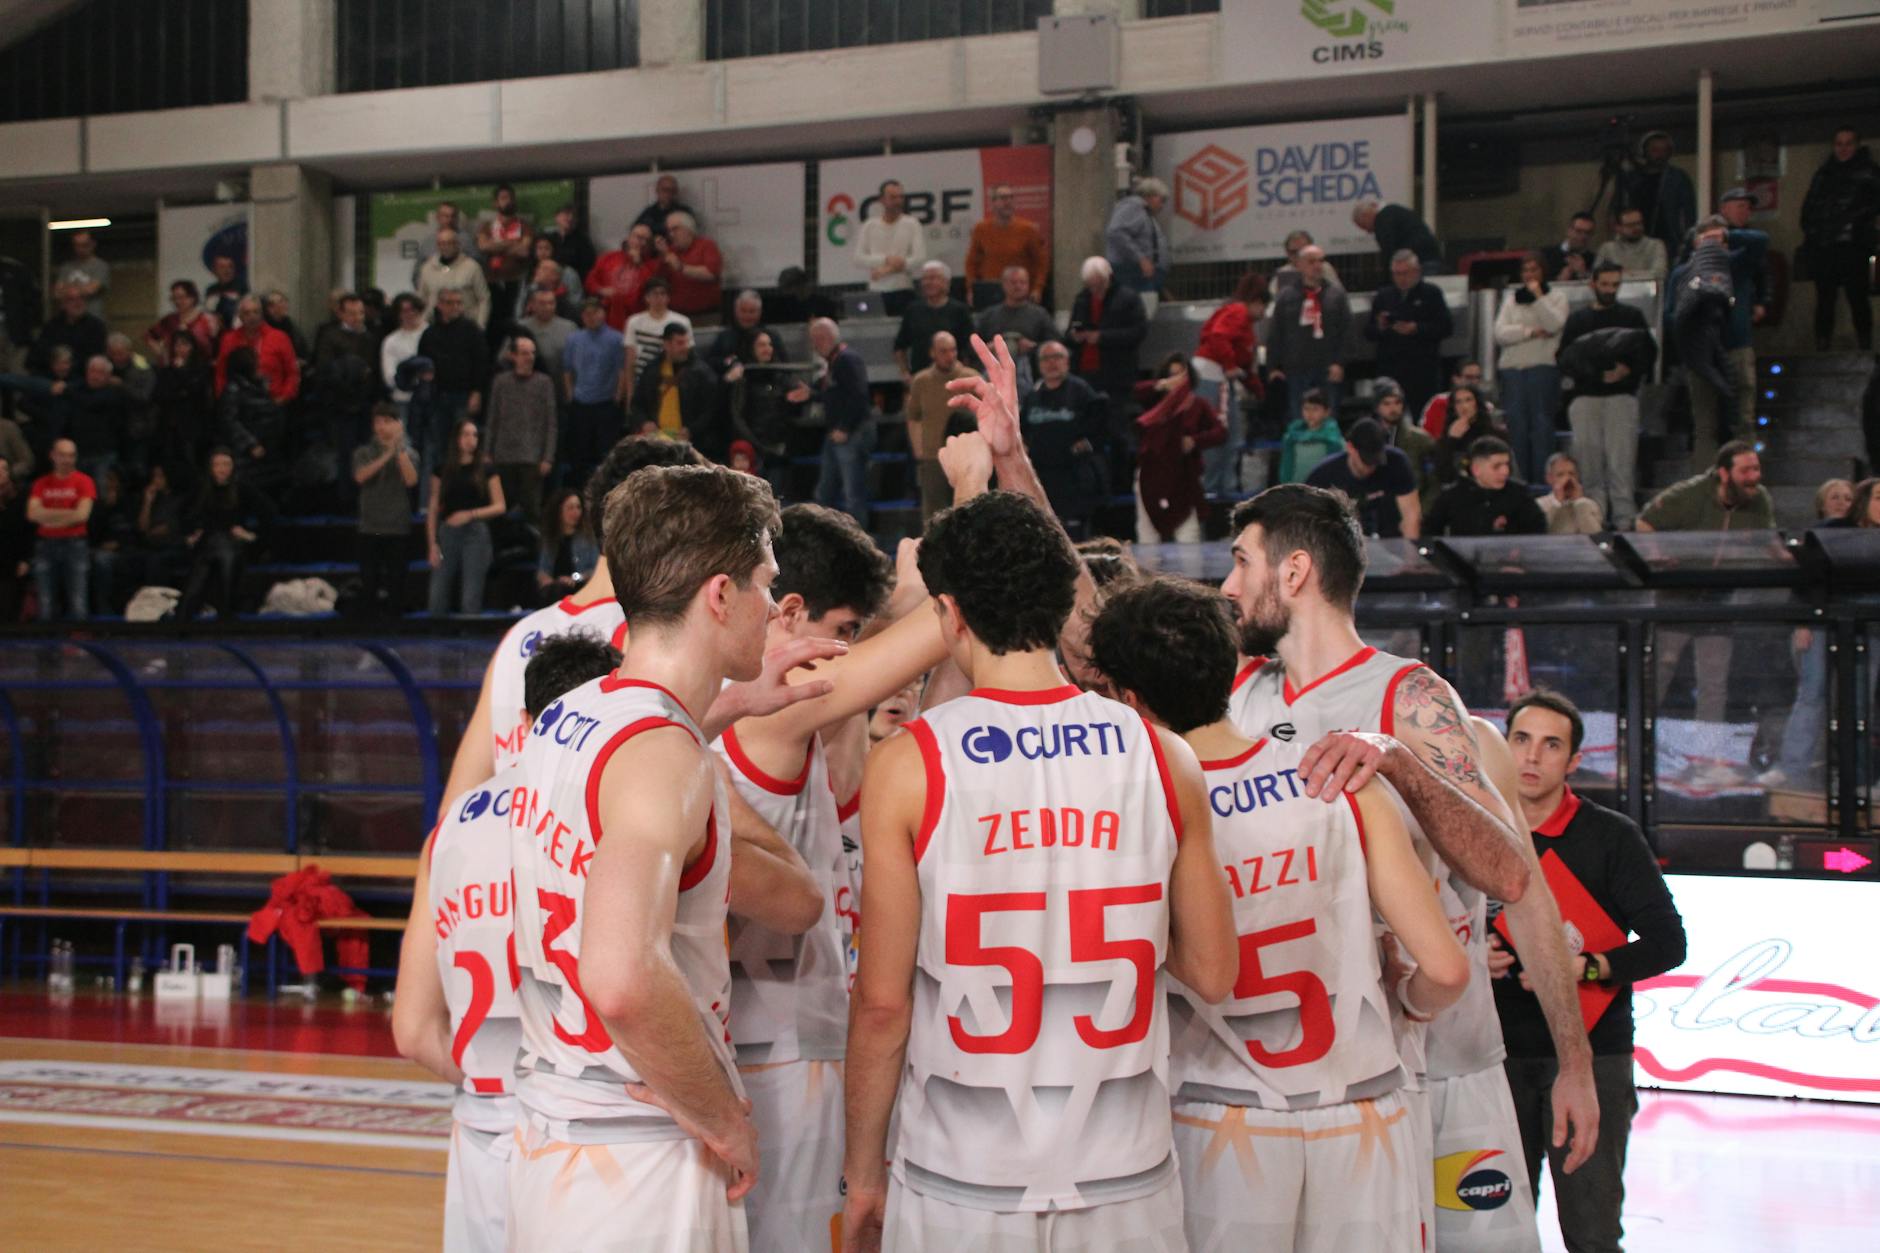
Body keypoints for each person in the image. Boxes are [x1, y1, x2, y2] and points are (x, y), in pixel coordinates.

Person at [840, 487, 1237, 1250]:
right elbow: (1214, 972)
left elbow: (883, 1004)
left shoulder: (910, 763)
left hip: (963, 1179)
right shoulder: (1166, 755)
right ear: (1062, 610)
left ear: (950, 613)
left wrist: (863, 1175)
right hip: (1125, 1178)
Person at [1222, 485, 1599, 1253]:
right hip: (1328, 1085)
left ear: (1294, 572)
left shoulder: (1413, 697)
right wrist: (1012, 462)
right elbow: (1106, 636)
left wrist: (1575, 1063)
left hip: (1451, 1071)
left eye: (1240, 562)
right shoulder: (1239, 696)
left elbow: (1514, 881)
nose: (1227, 586)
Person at [1088, 575, 1469, 1251]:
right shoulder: (1339, 777)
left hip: (1219, 1121)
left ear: (1131, 699)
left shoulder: (1140, 813)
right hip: (1364, 1113)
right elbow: (1445, 969)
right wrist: (1406, 998)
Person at [505, 463, 823, 1252]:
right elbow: (618, 976)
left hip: (549, 1131)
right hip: (637, 1154)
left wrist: (723, 708)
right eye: (761, 582)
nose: (770, 606)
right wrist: (723, 1118)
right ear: (718, 595)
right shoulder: (664, 753)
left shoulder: (571, 710)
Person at [712, 502, 954, 1253]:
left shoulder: (754, 717)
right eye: (846, 632)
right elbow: (923, 638)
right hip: (782, 1055)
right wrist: (959, 546)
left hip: (764, 1042)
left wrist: (899, 597)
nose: (854, 653)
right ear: (789, 612)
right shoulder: (770, 715)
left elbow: (894, 654)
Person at [395, 630, 624, 1253]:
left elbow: (412, 1031)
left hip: (480, 1130)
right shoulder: (613, 811)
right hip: (581, 1126)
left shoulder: (447, 832)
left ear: (524, 721)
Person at [1496, 689, 1686, 1253]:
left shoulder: (1612, 837)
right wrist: (1470, 954)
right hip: (1492, 1060)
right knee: (1494, 1233)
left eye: (1551, 745)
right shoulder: (1474, 828)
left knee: (1593, 1234)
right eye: (1521, 740)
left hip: (1592, 1058)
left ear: (1574, 761)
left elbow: (1668, 943)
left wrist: (1584, 967)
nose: (1532, 757)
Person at [1639, 441, 1772, 746]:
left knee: (1714, 679)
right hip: (1678, 592)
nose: (1755, 476)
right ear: (1724, 474)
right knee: (1662, 667)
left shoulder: (1759, 499)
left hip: (1719, 594)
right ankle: (1635, 742)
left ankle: (1706, 751)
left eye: (1757, 468)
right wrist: (1657, 555)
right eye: (1747, 470)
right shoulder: (1690, 494)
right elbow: (1645, 522)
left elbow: (1769, 540)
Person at [1668, 209, 1768, 471]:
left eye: (1717, 241)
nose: (1711, 246)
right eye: (1705, 240)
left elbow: (1760, 241)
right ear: (1694, 243)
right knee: (1704, 425)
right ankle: (1706, 485)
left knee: (1743, 420)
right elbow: (1670, 314)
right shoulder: (1683, 273)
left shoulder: (1737, 264)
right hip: (1700, 355)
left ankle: (1746, 477)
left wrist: (1728, 235)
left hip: (1736, 349)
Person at [1558, 262, 1654, 530]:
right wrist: (1595, 376)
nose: (1610, 290)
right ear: (1593, 284)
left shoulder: (1632, 316)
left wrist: (1627, 370)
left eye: (1615, 285)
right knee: (1590, 468)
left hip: (1621, 397)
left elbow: (1648, 353)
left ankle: (1625, 523)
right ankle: (1593, 524)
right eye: (1605, 285)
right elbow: (1565, 359)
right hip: (1586, 397)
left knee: (1621, 466)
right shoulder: (1578, 320)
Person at [1019, 339, 1108, 539]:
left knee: (1075, 536)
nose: (1051, 363)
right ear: (1039, 365)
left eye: (1057, 357)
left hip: (1074, 478)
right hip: (1043, 477)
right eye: (1046, 358)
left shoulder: (1081, 390)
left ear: (1067, 361)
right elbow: (1022, 428)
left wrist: (1087, 443)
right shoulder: (1033, 395)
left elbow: (1102, 424)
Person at [1801, 126, 1880, 352]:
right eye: (1839, 144)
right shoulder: (1824, 174)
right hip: (1825, 245)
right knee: (1825, 298)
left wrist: (1860, 220)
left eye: (1848, 144)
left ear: (1856, 145)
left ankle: (1865, 345)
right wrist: (1812, 232)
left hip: (1854, 245)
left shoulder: (1870, 172)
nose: (1843, 149)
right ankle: (1822, 344)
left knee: (1857, 296)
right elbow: (1809, 207)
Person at [1133, 351, 1224, 542]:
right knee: (1147, 533)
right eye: (1171, 374)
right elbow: (1135, 392)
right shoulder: (1153, 402)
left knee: (1188, 533)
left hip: (1183, 475)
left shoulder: (1197, 404)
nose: (1176, 380)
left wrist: (1195, 440)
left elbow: (1220, 433)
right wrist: (1163, 385)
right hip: (1151, 473)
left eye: (1180, 375)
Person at [1496, 252, 1570, 483]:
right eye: (1526, 270)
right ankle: (1519, 480)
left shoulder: (1557, 297)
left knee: (1541, 425)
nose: (1529, 275)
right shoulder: (1511, 298)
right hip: (1513, 369)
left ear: (1543, 272)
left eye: (1534, 270)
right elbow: (1500, 333)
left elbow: (1554, 324)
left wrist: (1538, 298)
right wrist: (1529, 332)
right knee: (1516, 426)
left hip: (1542, 367)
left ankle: (1542, 481)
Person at [1194, 272, 1268, 500]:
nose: (1264, 314)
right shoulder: (1238, 312)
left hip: (1221, 382)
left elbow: (1244, 366)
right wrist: (1228, 365)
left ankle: (1225, 489)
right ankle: (1210, 489)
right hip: (1211, 379)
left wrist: (1259, 391)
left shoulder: (1243, 323)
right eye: (1264, 307)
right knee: (1218, 434)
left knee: (1231, 434)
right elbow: (1218, 337)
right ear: (1256, 302)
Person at [176, 447, 273, 621]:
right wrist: (190, 534)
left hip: (234, 542)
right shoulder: (202, 488)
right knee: (211, 553)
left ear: (233, 466)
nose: (221, 469)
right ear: (210, 467)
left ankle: (200, 613)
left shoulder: (242, 488)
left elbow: (268, 512)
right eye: (217, 464)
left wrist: (251, 534)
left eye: (226, 464)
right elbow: (181, 513)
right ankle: (190, 614)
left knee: (224, 553)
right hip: (206, 542)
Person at [796, 317, 873, 527]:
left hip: (849, 433)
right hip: (837, 434)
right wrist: (811, 394)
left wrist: (845, 427)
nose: (814, 346)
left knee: (852, 494)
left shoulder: (847, 360)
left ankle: (860, 544)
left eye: (816, 340)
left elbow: (859, 396)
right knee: (824, 492)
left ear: (825, 338)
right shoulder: (836, 361)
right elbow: (834, 394)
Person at [426, 419, 505, 615]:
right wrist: (432, 544)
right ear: (456, 438)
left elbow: (500, 506)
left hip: (475, 531)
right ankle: (437, 638)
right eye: (466, 434)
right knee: (437, 596)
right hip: (448, 531)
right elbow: (433, 508)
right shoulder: (442, 469)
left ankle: (468, 639)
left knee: (471, 596)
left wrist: (470, 514)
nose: (471, 439)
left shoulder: (486, 469)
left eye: (475, 435)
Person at [1266, 244, 1351, 424]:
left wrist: (1339, 362)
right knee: (1299, 419)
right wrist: (1273, 366)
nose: (1317, 266)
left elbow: (1346, 332)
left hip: (1327, 368)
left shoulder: (1336, 295)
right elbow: (1276, 333)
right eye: (1311, 261)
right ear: (1300, 265)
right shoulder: (1286, 296)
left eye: (1321, 261)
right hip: (1296, 368)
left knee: (1329, 420)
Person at [1365, 250, 1453, 416]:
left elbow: (1446, 327)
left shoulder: (1431, 294)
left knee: (1423, 415)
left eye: (1405, 273)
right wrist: (1380, 326)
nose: (1401, 278)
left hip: (1422, 370)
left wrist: (1417, 328)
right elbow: (1368, 332)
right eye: (1396, 274)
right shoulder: (1384, 296)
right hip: (1391, 369)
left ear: (1417, 271)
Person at [1304, 417, 1422, 540]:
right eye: (1366, 462)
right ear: (1350, 448)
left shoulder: (1397, 462)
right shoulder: (1324, 475)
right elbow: (1308, 521)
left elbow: (1411, 516)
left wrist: (1410, 555)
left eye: (1375, 462)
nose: (1371, 467)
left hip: (1389, 538)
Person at [904, 331, 979, 523]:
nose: (950, 355)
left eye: (953, 350)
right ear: (932, 353)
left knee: (971, 509)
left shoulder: (971, 377)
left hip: (967, 457)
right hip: (933, 455)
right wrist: (919, 450)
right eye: (943, 351)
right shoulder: (922, 381)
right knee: (934, 513)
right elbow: (913, 417)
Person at [353, 403, 418, 619]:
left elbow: (411, 480)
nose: (382, 427)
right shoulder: (363, 452)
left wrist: (397, 450)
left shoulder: (409, 453)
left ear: (398, 424)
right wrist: (386, 454)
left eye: (387, 422)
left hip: (397, 527)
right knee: (369, 581)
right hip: (370, 526)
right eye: (378, 422)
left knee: (396, 582)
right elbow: (360, 477)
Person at [484, 334, 557, 519]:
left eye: (532, 353)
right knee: (501, 508)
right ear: (513, 356)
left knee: (532, 510)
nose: (529, 357)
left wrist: (547, 457)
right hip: (503, 455)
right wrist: (487, 451)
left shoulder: (544, 383)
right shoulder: (501, 382)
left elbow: (551, 423)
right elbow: (493, 418)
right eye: (524, 353)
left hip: (532, 457)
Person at [1423, 435, 1549, 538]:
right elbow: (1428, 531)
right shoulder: (1453, 496)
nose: (1505, 471)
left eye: (1506, 464)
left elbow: (1538, 530)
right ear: (1476, 469)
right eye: (1497, 466)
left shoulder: (1519, 494)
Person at [724, 331, 799, 500]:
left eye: (769, 344)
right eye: (761, 344)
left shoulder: (783, 376)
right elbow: (737, 415)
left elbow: (789, 411)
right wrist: (756, 445)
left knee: (776, 498)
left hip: (779, 448)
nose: (767, 349)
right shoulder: (744, 378)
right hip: (754, 450)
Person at [26, 438, 93, 621]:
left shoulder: (84, 481)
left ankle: (80, 646)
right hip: (45, 545)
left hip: (75, 544)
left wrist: (47, 516)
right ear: (53, 456)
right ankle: (44, 646)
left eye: (71, 455)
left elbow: (81, 516)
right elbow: (32, 514)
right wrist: (67, 515)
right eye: (63, 455)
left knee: (78, 600)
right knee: (45, 602)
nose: (67, 460)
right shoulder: (41, 483)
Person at [629, 322, 720, 456]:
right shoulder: (652, 370)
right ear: (666, 344)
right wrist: (644, 422)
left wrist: (691, 430)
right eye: (680, 343)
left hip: (691, 445)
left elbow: (711, 410)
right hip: (656, 443)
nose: (685, 347)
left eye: (686, 342)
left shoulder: (702, 373)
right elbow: (637, 404)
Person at [216, 346, 287, 493]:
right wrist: (250, 444)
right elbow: (230, 421)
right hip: (249, 450)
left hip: (269, 443)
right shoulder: (233, 389)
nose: (259, 364)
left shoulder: (261, 384)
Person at [974, 265, 1058, 389]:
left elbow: (1055, 343)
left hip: (1031, 374)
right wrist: (987, 348)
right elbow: (972, 345)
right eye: (1013, 282)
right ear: (1004, 284)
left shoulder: (1040, 314)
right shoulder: (989, 315)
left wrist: (1034, 347)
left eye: (1022, 282)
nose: (1018, 286)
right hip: (994, 372)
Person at [964, 183, 1047, 308]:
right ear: (992, 203)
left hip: (1020, 292)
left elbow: (1041, 262)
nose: (1007, 202)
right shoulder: (980, 229)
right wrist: (971, 289)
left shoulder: (1028, 229)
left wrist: (1037, 288)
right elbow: (971, 262)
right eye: (1003, 198)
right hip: (991, 292)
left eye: (1011, 198)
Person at [1620, 130, 1698, 260]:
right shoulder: (1632, 178)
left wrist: (1687, 242)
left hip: (1671, 241)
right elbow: (1622, 209)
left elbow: (1689, 213)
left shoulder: (1678, 178)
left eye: (1664, 150)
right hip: (1636, 241)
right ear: (1644, 152)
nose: (1660, 155)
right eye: (1655, 150)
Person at [152, 331, 216, 488]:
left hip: (193, 428)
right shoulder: (167, 371)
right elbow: (159, 395)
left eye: (185, 344)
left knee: (193, 465)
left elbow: (196, 391)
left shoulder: (201, 369)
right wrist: (180, 391)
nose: (181, 349)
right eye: (177, 345)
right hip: (170, 427)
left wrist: (181, 377)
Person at [892, 261, 975, 380]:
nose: (928, 282)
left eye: (933, 278)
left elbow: (969, 348)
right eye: (924, 279)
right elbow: (899, 346)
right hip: (921, 378)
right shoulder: (913, 310)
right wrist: (905, 373)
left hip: (953, 378)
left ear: (946, 282)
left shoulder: (960, 311)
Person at [475, 184, 535, 344]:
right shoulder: (487, 226)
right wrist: (512, 243)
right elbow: (483, 246)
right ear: (495, 203)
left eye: (510, 198)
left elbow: (523, 251)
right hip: (491, 281)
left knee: (514, 319)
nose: (507, 201)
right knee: (493, 322)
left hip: (516, 281)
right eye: (503, 198)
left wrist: (496, 246)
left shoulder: (524, 226)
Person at [214, 295, 300, 405]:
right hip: (238, 405)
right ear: (240, 316)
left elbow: (292, 373)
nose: (252, 317)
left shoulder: (279, 338)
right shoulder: (228, 339)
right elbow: (220, 373)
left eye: (256, 312)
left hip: (273, 402)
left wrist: (284, 397)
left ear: (262, 315)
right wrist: (224, 399)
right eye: (247, 313)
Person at [856, 179, 924, 315]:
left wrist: (886, 270)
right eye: (893, 197)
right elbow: (858, 258)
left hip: (903, 289)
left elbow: (919, 258)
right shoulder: (870, 225)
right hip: (876, 290)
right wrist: (887, 260)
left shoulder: (912, 224)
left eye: (901, 197)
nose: (898, 201)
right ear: (882, 200)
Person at [1105, 176, 1171, 316]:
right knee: (1138, 312)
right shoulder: (1133, 207)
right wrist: (1141, 259)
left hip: (1140, 274)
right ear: (1151, 196)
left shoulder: (1144, 213)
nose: (1162, 205)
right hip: (1133, 273)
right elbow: (1117, 232)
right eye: (1161, 200)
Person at [1372, 378, 1440, 508]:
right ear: (1377, 407)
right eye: (1387, 403)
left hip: (1413, 508)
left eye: (1397, 403)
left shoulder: (1420, 439)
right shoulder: (1370, 439)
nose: (1393, 408)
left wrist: (1422, 512)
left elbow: (1434, 482)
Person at [1430, 383, 1509, 492]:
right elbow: (1443, 476)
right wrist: (1452, 440)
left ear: (1477, 403)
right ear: (1454, 407)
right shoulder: (1446, 438)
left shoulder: (1496, 434)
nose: (1464, 406)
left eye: (1468, 400)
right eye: (1459, 402)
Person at [588, 223, 659, 331]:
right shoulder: (608, 258)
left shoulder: (653, 265)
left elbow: (653, 289)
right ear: (629, 237)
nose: (643, 243)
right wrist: (601, 290)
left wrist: (640, 264)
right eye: (639, 238)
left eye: (647, 240)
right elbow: (590, 282)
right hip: (605, 319)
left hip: (638, 321)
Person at [656, 211, 724, 320]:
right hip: (676, 315)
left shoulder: (706, 245)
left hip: (706, 315)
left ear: (689, 229)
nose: (671, 234)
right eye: (669, 231)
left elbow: (711, 273)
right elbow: (660, 281)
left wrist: (681, 267)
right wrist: (662, 255)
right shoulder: (669, 252)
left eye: (675, 229)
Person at [417, 228, 492, 327]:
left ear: (457, 245)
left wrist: (480, 326)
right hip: (435, 325)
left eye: (450, 243)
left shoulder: (472, 267)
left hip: (467, 325)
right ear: (437, 245)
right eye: (442, 243)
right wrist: (421, 325)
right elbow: (421, 299)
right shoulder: (427, 268)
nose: (446, 247)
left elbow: (484, 299)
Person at [534, 487, 596, 605]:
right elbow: (543, 571)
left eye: (578, 507)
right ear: (559, 511)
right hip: (555, 590)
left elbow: (594, 570)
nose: (575, 512)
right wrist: (550, 581)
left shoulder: (587, 538)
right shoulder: (550, 539)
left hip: (579, 586)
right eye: (570, 508)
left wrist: (574, 578)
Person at [30, 283, 108, 376]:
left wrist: (69, 366)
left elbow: (96, 359)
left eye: (81, 298)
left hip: (81, 379)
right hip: (50, 377)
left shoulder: (96, 326)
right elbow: (35, 356)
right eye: (71, 299)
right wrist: (54, 363)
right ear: (63, 304)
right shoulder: (51, 326)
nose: (78, 302)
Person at [625, 277, 691, 385]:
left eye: (663, 294)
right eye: (655, 294)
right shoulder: (634, 322)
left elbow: (687, 355)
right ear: (647, 297)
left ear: (668, 297)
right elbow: (630, 360)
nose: (659, 297)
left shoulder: (682, 321)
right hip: (642, 381)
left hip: (672, 379)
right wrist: (630, 392)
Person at [1278, 387, 1346, 486]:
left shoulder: (1334, 439)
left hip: (1322, 492)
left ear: (1327, 412)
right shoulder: (1292, 438)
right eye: (1306, 408)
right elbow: (1286, 468)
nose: (1310, 413)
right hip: (1297, 491)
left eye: (1315, 409)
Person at [511, 286, 577, 385]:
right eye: (542, 303)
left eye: (551, 303)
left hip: (562, 384)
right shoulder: (520, 327)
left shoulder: (570, 327)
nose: (548, 307)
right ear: (532, 305)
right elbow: (506, 356)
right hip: (528, 385)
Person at [703, 291, 776, 379]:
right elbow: (710, 363)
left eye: (752, 311)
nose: (747, 316)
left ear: (759, 312)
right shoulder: (725, 337)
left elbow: (783, 366)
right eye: (743, 311)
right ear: (735, 311)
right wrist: (729, 363)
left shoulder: (771, 336)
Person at [146, 280, 218, 366]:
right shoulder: (169, 320)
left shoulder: (208, 319)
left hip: (202, 371)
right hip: (174, 370)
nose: (177, 302)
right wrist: (160, 351)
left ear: (192, 297)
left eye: (181, 297)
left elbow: (218, 345)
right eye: (174, 298)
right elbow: (148, 335)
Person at [1352, 200, 1441, 269]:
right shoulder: (1394, 211)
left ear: (1365, 215)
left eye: (1364, 226)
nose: (1368, 231)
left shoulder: (1382, 220)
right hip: (1431, 257)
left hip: (1416, 263)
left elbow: (1389, 252)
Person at [1416, 359, 1487, 441]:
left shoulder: (1487, 407)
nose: (1474, 382)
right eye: (1469, 377)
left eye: (1478, 377)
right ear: (1456, 379)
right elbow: (1424, 435)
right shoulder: (1438, 402)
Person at [1593, 207, 1669, 283]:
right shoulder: (1607, 249)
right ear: (1618, 227)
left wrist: (1626, 274)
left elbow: (1659, 273)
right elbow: (1596, 275)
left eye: (1639, 223)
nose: (1637, 228)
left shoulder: (1655, 245)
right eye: (1630, 225)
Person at [380, 294, 428, 410]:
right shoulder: (391, 341)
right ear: (398, 314)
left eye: (414, 310)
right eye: (405, 311)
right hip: (402, 399)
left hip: (430, 398)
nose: (410, 314)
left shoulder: (432, 334)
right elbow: (389, 375)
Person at [1539, 452, 1603, 535]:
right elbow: (1537, 532)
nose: (1568, 479)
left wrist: (1580, 503)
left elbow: (1597, 538)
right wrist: (1557, 502)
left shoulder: (1590, 505)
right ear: (1549, 479)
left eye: (1571, 474)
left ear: (1577, 477)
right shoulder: (1540, 504)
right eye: (1560, 475)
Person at [56, 230, 109, 320]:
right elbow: (57, 292)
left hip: (93, 319)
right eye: (77, 245)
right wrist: (81, 289)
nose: (80, 249)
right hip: (68, 320)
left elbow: (92, 289)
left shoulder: (100, 266)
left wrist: (69, 290)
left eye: (84, 245)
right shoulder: (66, 268)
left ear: (92, 244)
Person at [0, 459, 29, 622]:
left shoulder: (19, 498)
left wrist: (25, 559)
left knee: (8, 610)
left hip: (12, 563)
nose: (1, 473)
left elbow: (25, 532)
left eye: (4, 469)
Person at [539, 202, 596, 280]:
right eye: (566, 214)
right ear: (556, 217)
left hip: (572, 281)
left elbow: (588, 268)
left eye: (574, 215)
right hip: (548, 280)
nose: (570, 218)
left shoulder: (583, 240)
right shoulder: (548, 238)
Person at [633, 173, 694, 240]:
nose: (668, 193)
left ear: (676, 192)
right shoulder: (648, 214)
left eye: (672, 190)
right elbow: (635, 234)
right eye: (665, 190)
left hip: (677, 249)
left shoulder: (685, 213)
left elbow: (691, 235)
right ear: (657, 190)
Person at [203, 253, 247, 333]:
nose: (227, 270)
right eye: (222, 267)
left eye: (230, 267)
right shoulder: (211, 290)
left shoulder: (242, 287)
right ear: (214, 270)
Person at [1551, 212, 1598, 283]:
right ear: (1569, 230)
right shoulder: (1547, 254)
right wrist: (1560, 279)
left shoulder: (1595, 260)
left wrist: (1583, 274)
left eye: (1588, 233)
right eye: (1578, 231)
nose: (1583, 236)